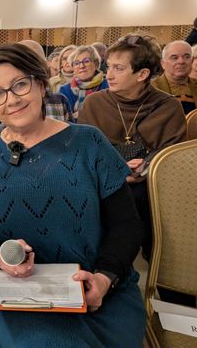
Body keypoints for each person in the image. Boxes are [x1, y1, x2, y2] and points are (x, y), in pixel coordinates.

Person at [0, 43, 145, 347]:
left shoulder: (89, 143)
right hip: (15, 291)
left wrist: (104, 277)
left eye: (20, 85)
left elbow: (127, 224)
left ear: (41, 84)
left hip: (95, 283)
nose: (12, 99)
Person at [78, 33, 187, 260]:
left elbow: (171, 156)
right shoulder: (94, 103)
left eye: (118, 68)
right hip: (103, 181)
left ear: (142, 74)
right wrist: (118, 170)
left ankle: (160, 262)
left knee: (142, 194)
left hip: (152, 185)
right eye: (109, 66)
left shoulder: (168, 106)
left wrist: (143, 168)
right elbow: (85, 152)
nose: (109, 75)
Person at [151, 40, 197, 114]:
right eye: (174, 58)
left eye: (186, 57)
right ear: (163, 64)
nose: (181, 61)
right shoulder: (150, 89)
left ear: (191, 61)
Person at [59, 45, 108, 119]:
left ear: (96, 64)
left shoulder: (108, 86)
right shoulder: (65, 90)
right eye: (76, 63)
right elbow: (64, 120)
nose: (81, 66)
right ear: (73, 68)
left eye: (86, 61)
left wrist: (81, 113)